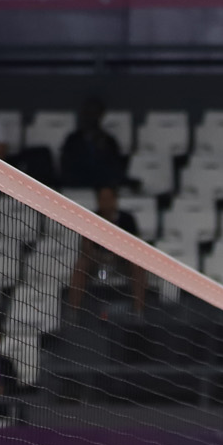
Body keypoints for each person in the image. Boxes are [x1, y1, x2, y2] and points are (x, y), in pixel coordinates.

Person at [69, 185, 148, 317]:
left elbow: (135, 246)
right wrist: (99, 256)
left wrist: (118, 255)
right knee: (80, 266)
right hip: (97, 259)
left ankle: (139, 312)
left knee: (138, 267)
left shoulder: (127, 219)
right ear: (98, 201)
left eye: (108, 198)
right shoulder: (91, 218)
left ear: (115, 200)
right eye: (102, 199)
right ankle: (73, 313)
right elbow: (86, 247)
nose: (105, 202)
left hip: (122, 260)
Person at [59, 98, 126, 191]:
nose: (91, 117)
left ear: (101, 115)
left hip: (102, 189)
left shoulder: (109, 141)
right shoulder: (72, 140)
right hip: (76, 188)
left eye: (95, 113)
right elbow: (66, 168)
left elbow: (115, 170)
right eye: (88, 112)